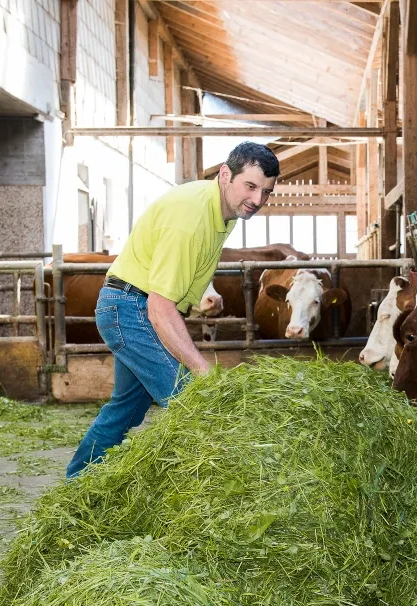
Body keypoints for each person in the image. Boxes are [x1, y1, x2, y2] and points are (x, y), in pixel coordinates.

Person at [66, 141, 279, 478]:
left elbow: (177, 284)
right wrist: (201, 369)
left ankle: (76, 484)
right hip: (131, 309)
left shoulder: (224, 212)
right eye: (250, 187)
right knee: (191, 400)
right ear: (226, 175)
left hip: (137, 305)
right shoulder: (191, 218)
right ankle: (211, 491)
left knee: (126, 410)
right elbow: (159, 308)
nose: (257, 201)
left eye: (266, 192)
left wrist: (197, 302)